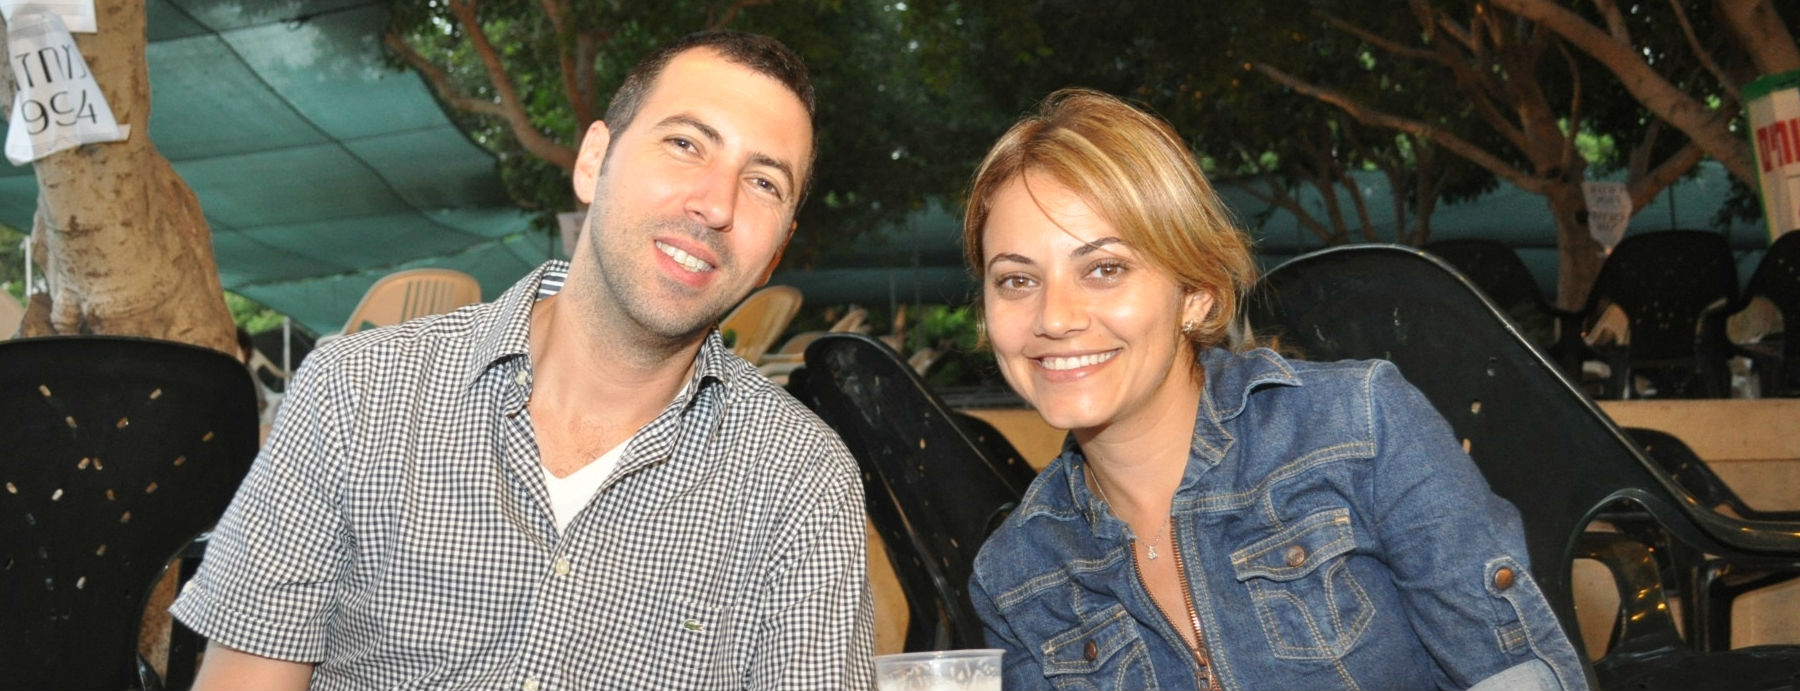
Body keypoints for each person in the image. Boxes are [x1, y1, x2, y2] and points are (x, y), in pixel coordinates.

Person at [171, 31, 876, 690]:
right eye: (686, 143)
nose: (716, 204)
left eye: (764, 183)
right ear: (593, 161)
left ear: (776, 251)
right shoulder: (358, 392)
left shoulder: (803, 482)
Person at [962, 88, 1587, 690]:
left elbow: (1513, 676)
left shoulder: (1360, 430)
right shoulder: (1016, 576)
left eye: (1105, 269)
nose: (1054, 317)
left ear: (1196, 294)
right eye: (1017, 280)